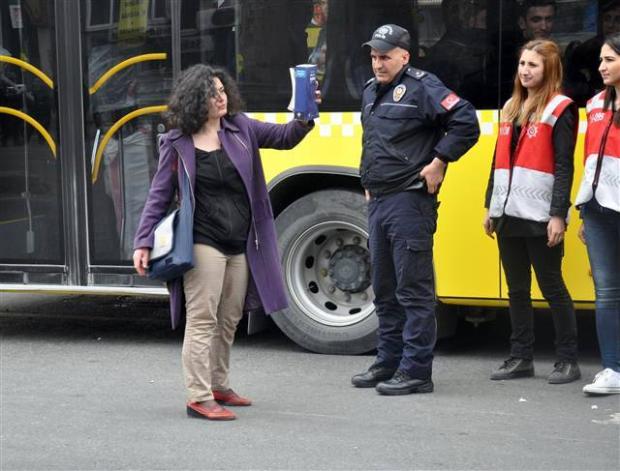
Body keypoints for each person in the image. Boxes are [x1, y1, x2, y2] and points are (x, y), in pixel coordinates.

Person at [133, 64, 315, 420]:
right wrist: (143, 241)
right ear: (195, 100)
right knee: (202, 318)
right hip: (203, 239)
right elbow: (158, 195)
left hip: (241, 240)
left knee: (229, 317)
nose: (222, 97)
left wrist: (305, 117)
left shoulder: (241, 127)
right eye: (213, 93)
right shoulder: (177, 143)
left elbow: (285, 136)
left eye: (222, 90)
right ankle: (199, 397)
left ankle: (219, 385)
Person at [351, 24, 480, 395]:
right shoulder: (371, 90)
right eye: (374, 56)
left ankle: (417, 371)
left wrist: (440, 161)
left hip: (410, 201)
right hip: (380, 200)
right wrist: (367, 179)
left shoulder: (423, 86)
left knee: (413, 291)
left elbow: (465, 122)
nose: (378, 62)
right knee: (384, 289)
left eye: (385, 56)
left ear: (404, 56)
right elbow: (374, 140)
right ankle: (388, 362)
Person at [484, 39, 581, 384]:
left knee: (552, 287)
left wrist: (558, 214)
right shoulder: (512, 106)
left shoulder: (560, 108)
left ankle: (568, 360)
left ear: (549, 69)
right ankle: (520, 358)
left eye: (533, 65)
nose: (525, 71)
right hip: (508, 213)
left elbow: (564, 166)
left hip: (540, 215)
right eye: (522, 64)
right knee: (517, 290)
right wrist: (489, 206)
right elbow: (498, 163)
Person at [574, 33, 620, 395]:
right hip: (598, 210)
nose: (602, 67)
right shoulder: (594, 104)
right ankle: (612, 370)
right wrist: (583, 209)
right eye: (601, 60)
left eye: (610, 60)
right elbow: (590, 160)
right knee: (606, 292)